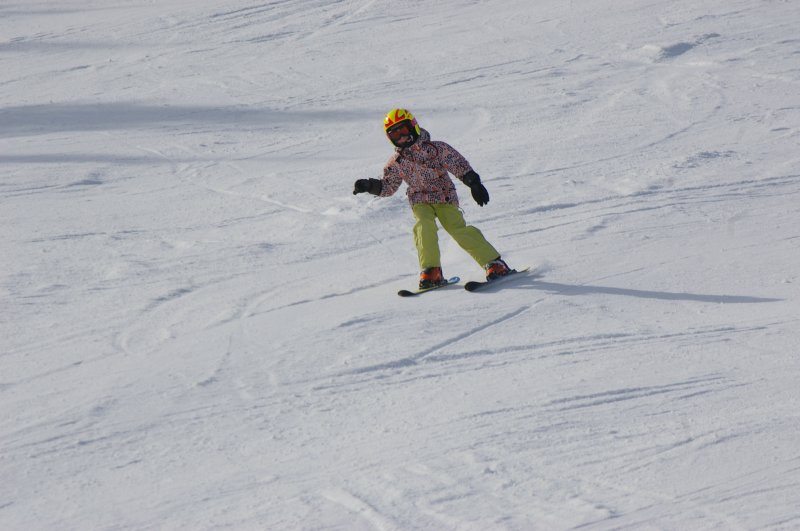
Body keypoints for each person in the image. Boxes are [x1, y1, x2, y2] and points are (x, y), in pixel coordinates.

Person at [353, 108, 511, 289]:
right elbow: (388, 187)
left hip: (444, 196)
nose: (402, 137)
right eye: (395, 134)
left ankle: (494, 263)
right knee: (423, 226)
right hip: (419, 200)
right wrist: (369, 186)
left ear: (413, 127)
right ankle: (431, 271)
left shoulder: (436, 149)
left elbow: (458, 164)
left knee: (457, 229)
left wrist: (473, 183)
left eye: (403, 130)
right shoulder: (396, 162)